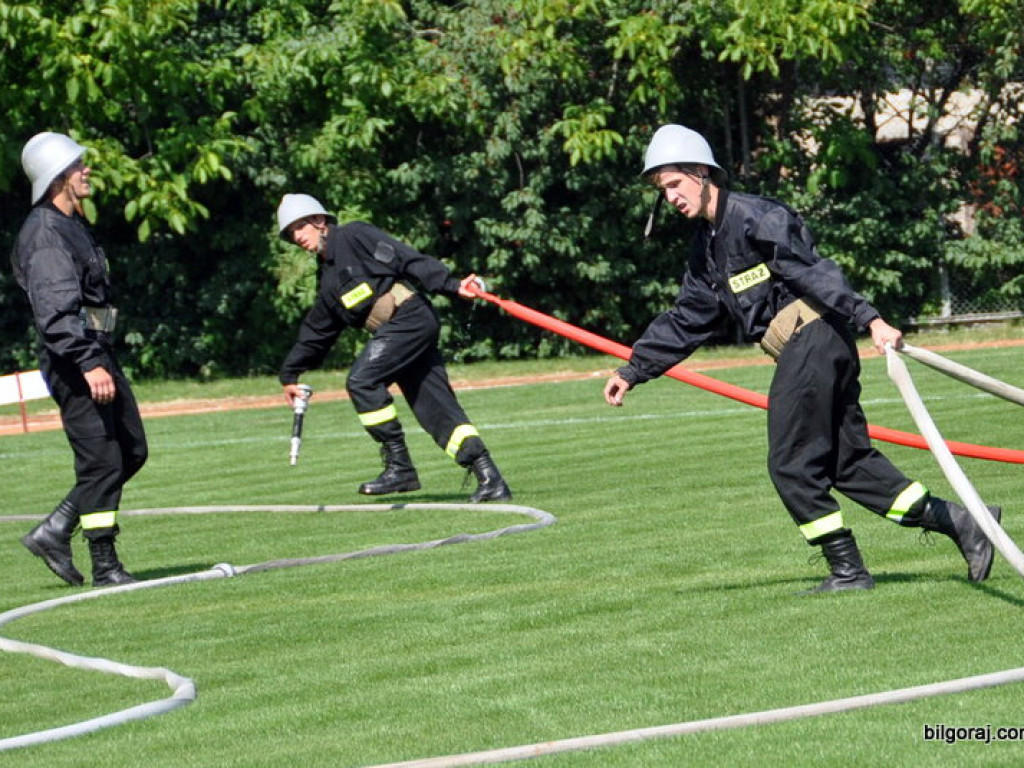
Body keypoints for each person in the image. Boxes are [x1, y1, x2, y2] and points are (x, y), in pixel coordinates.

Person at [604, 124, 1002, 593]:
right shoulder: (706, 249)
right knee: (847, 465)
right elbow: (689, 317)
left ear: (702, 173)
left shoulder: (758, 217)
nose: (670, 197)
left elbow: (815, 273)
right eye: (663, 189)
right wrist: (634, 370)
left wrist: (870, 318)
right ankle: (964, 523)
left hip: (814, 340)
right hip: (810, 347)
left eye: (675, 183)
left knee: (790, 464)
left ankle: (848, 571)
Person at [275, 193, 512, 502]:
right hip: (398, 332)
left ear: (319, 221)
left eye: (299, 227)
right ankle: (491, 479)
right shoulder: (328, 278)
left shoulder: (353, 235)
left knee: (362, 380)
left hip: (411, 319)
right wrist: (290, 374)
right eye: (291, 233)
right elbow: (318, 330)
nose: (297, 237)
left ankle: (400, 468)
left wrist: (451, 285)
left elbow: (406, 258)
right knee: (435, 408)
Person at [12, 132, 147, 587]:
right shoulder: (45, 234)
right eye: (77, 166)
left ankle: (55, 530)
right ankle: (105, 565)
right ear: (57, 177)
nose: (86, 171)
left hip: (96, 352)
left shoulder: (70, 223)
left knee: (131, 450)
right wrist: (88, 362)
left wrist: (98, 354)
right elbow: (55, 312)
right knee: (101, 461)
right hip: (76, 361)